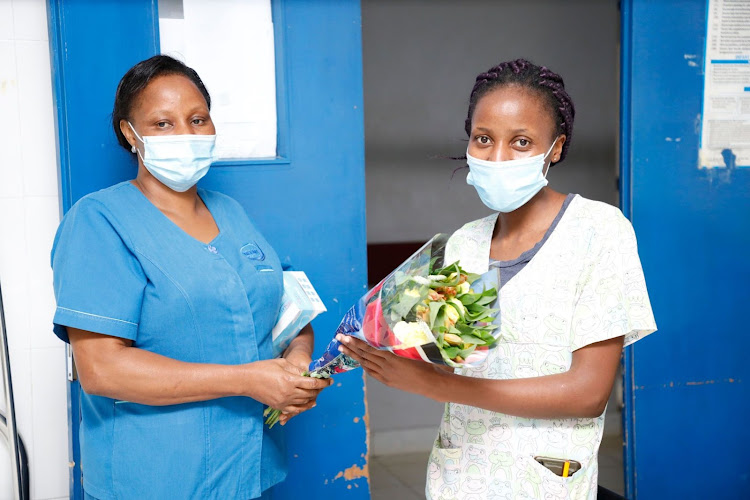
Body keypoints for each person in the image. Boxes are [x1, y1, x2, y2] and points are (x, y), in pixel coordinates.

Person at [339, 59, 656, 499]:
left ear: (556, 148)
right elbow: (450, 355)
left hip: (546, 478)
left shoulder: (599, 230)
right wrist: (379, 345)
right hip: (461, 473)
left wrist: (435, 384)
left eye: (521, 142)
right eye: (483, 139)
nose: (498, 157)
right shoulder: (464, 244)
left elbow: (588, 392)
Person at [50, 55, 331, 500]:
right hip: (155, 479)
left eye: (198, 119)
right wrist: (247, 379)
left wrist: (295, 365)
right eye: (163, 124)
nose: (186, 133)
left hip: (247, 472)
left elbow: (284, 312)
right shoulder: (99, 222)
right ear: (130, 133)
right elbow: (102, 370)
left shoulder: (232, 213)